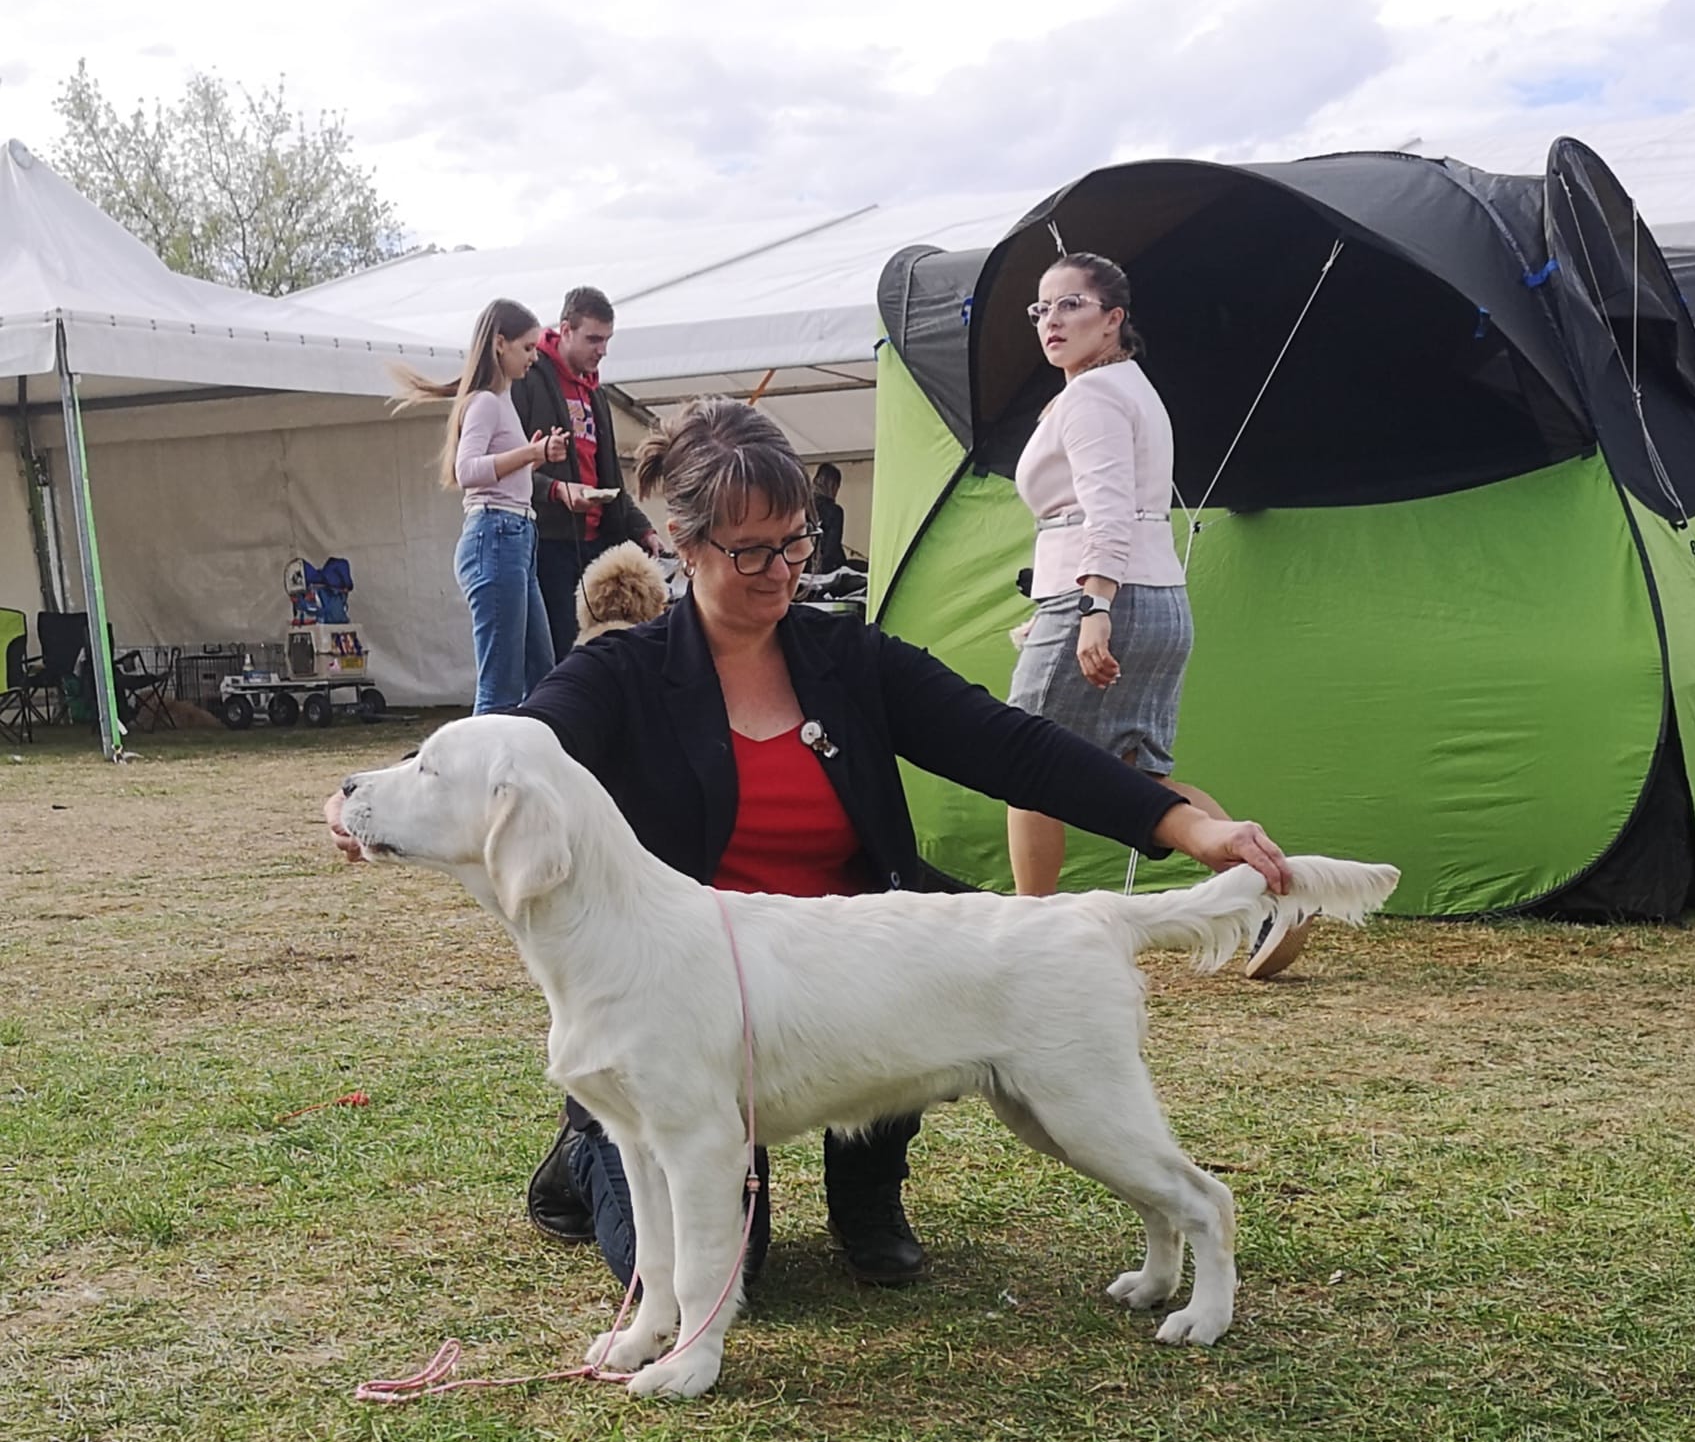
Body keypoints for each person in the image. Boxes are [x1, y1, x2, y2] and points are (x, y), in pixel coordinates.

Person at [326, 398, 1292, 1293]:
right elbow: (511, 745)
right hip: (691, 1002)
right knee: (729, 1273)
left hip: (848, 980)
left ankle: (867, 1185)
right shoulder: (621, 672)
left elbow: (1015, 748)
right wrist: (376, 801)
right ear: (681, 546)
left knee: (898, 994)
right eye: (752, 554)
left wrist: (1184, 824)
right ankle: (593, 1144)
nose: (784, 573)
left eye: (797, 544)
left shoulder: (849, 659)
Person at [1002, 253, 1313, 979]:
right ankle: (1274, 891)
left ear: (1112, 319)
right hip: (1151, 593)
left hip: (1109, 596)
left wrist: (1092, 607)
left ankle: (1028, 935)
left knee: (1017, 759)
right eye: (1040, 310)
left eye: (1069, 305)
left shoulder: (1091, 399)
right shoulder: (1122, 388)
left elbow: (1104, 509)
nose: (1050, 321)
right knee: (1137, 777)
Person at [396, 299, 567, 715]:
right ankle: (478, 774)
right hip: (497, 537)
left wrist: (533, 454)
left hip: (513, 537)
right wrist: (531, 453)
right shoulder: (486, 402)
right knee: (502, 687)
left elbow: (491, 469)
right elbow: (467, 470)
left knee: (539, 674)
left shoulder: (498, 401)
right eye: (527, 349)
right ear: (499, 344)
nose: (533, 358)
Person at [512, 285, 659, 663]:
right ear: (566, 329)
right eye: (594, 338)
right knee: (561, 653)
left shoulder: (596, 393)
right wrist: (556, 490)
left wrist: (642, 527)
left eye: (607, 339)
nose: (602, 349)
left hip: (599, 542)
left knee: (608, 650)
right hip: (549, 540)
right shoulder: (527, 377)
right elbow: (505, 465)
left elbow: (608, 475)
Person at [811, 461, 848, 575]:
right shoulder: (835, 511)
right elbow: (832, 547)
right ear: (833, 486)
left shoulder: (802, 508)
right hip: (828, 572)